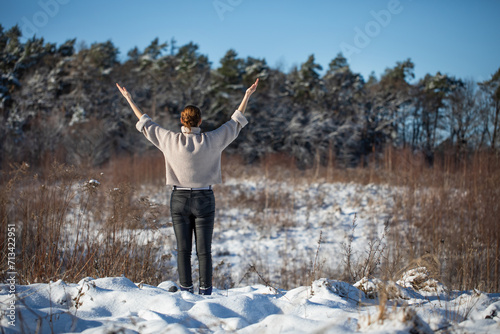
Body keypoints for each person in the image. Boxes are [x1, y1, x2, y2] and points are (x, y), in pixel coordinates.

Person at [116, 79, 259, 295]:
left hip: (179, 199)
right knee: (204, 251)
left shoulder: (169, 140)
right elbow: (235, 121)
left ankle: (185, 291)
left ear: (181, 121)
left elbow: (145, 122)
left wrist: (129, 99)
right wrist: (247, 95)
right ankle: (205, 293)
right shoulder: (213, 140)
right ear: (200, 120)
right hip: (204, 199)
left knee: (183, 250)